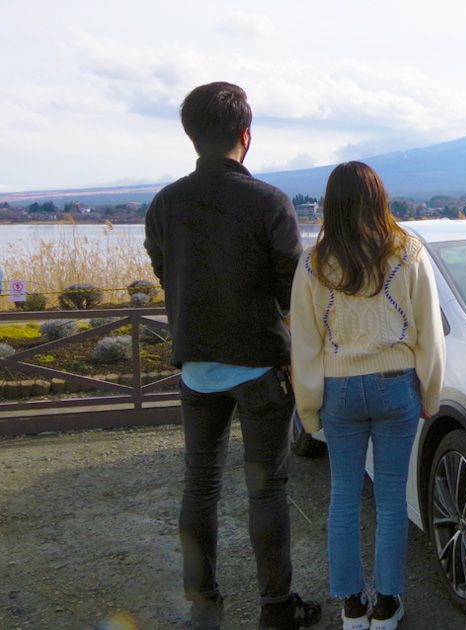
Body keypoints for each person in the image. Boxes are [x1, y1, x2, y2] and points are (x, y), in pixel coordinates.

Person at [144, 82, 321, 630]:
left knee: (200, 485)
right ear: (246, 135)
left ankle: (204, 607)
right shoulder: (269, 202)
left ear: (190, 134)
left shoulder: (165, 203)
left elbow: (160, 266)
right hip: (263, 365)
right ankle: (276, 608)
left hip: (196, 367)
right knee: (266, 488)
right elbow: (292, 288)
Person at [290, 161, 444, 630]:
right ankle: (387, 604)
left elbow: (306, 344)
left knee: (344, 498)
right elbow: (430, 333)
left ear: (330, 205)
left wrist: (309, 407)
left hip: (339, 392)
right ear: (380, 199)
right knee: (392, 500)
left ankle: (352, 605)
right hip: (397, 385)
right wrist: (430, 394)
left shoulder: (314, 262)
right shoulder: (409, 251)